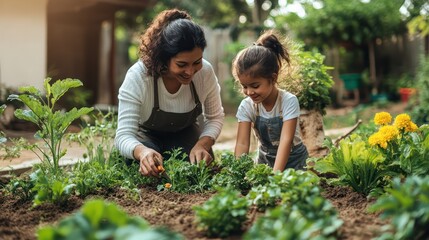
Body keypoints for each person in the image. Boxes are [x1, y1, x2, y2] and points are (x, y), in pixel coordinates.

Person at [115, 9, 224, 177]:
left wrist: (202, 144)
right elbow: (123, 135)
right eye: (182, 64)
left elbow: (215, 117)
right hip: (146, 138)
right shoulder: (138, 76)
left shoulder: (205, 73)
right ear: (163, 58)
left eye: (197, 62)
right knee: (144, 174)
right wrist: (142, 152)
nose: (190, 71)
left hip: (186, 135)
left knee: (196, 175)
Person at [232, 30, 308, 172]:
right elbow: (242, 144)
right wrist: (237, 172)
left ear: (273, 79)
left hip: (294, 161)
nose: (249, 92)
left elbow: (286, 142)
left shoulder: (288, 101)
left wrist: (275, 177)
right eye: (244, 86)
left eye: (255, 86)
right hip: (265, 160)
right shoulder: (247, 106)